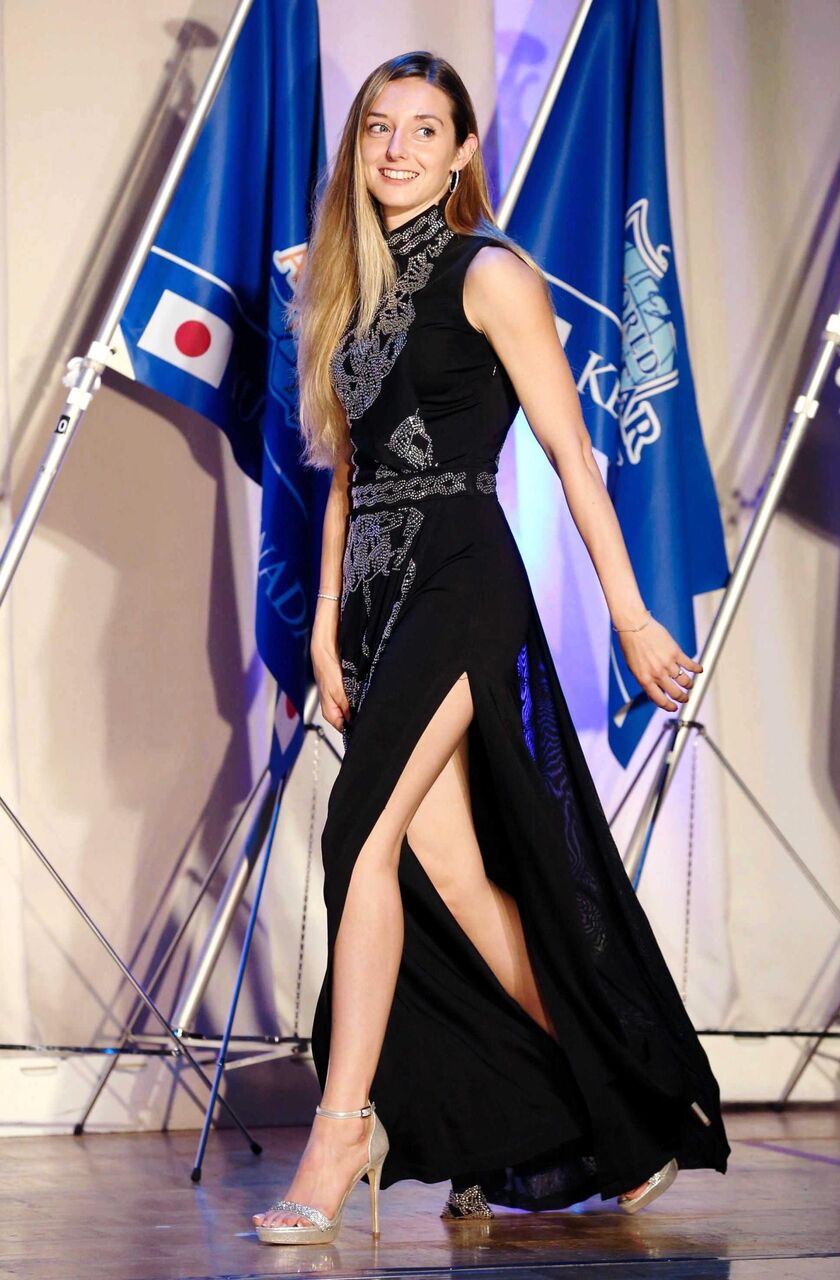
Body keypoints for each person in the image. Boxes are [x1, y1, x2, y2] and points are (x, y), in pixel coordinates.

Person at [253, 49, 731, 1247]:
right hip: (377, 602)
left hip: (463, 580)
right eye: (380, 127)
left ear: (464, 151)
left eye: (426, 129)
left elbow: (570, 453)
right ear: (358, 145)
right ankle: (620, 1107)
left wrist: (629, 615)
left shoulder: (491, 271)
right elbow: (346, 474)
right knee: (455, 880)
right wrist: (325, 624)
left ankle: (344, 1129)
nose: (398, 148)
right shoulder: (344, 287)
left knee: (355, 837)